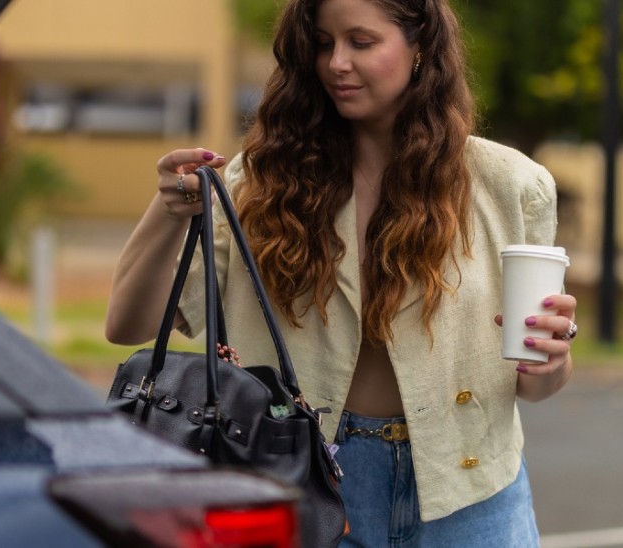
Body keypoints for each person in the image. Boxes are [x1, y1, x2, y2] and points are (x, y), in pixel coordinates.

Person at [105, 0, 578, 545]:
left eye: (362, 41)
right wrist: (168, 211)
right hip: (306, 480)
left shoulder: (511, 185)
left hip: (471, 495)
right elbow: (127, 323)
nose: (336, 63)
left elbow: (536, 383)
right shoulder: (258, 183)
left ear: (420, 45)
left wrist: (551, 363)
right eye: (324, 43)